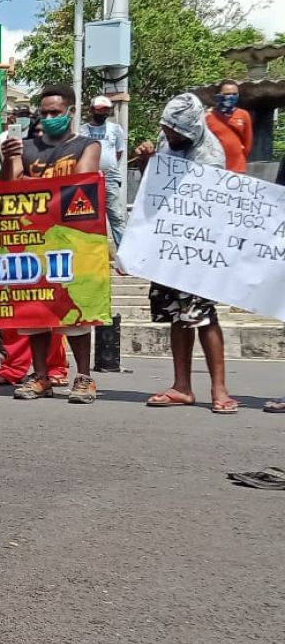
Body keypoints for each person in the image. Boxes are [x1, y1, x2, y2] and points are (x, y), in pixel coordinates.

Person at [133, 93, 238, 414]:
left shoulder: (209, 154)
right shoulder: (166, 142)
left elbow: (209, 203)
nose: (170, 135)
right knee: (176, 315)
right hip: (168, 243)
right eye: (166, 130)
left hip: (199, 244)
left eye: (176, 132)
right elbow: (153, 184)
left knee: (203, 315)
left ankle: (219, 389)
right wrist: (145, 161)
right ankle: (182, 386)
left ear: (191, 128)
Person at [0, 84, 102, 404]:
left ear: (71, 112)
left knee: (77, 313)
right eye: (43, 113)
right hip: (33, 243)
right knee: (36, 311)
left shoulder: (88, 145)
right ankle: (40, 375)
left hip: (76, 241)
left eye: (55, 113)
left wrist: (29, 184)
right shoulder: (25, 148)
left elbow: (79, 183)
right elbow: (8, 189)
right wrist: (8, 161)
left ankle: (83, 377)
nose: (48, 118)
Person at [82, 95, 128, 247]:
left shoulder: (115, 129)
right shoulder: (82, 131)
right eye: (100, 109)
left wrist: (107, 167)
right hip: (89, 179)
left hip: (110, 178)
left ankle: (123, 257)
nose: (103, 113)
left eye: (106, 110)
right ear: (92, 110)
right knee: (90, 218)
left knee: (116, 216)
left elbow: (118, 152)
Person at [206, 80, 253, 173]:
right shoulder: (208, 117)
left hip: (238, 168)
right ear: (218, 95)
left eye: (234, 94)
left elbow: (248, 142)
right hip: (216, 168)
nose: (231, 97)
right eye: (227, 94)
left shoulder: (244, 115)